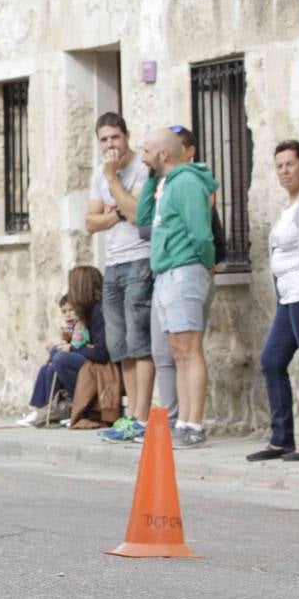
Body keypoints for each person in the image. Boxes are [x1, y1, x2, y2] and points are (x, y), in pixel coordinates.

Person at [248, 140, 299, 463]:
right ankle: (281, 438)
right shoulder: (288, 206)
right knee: (271, 360)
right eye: (279, 165)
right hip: (287, 296)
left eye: (290, 164)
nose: (284, 171)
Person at [136, 128, 218, 449]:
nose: (142, 156)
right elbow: (143, 218)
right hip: (167, 273)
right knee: (178, 351)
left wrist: (207, 263)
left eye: (146, 151)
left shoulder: (186, 182)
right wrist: (149, 180)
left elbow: (200, 230)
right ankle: (183, 418)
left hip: (184, 270)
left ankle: (192, 421)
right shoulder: (165, 183)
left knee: (190, 348)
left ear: (163, 154)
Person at [85, 113, 154, 443]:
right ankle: (131, 416)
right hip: (112, 264)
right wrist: (117, 212)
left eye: (115, 137)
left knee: (140, 343)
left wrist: (114, 181)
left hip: (140, 259)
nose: (110, 145)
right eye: (104, 139)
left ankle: (142, 415)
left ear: (127, 136)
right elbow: (90, 221)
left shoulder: (140, 168)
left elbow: (139, 213)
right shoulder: (99, 173)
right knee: (120, 345)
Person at [19, 268, 110, 426]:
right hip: (90, 359)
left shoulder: (99, 311)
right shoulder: (88, 311)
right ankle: (47, 408)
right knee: (50, 364)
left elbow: (101, 353)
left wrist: (73, 349)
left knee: (60, 357)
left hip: (102, 367)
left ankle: (77, 406)